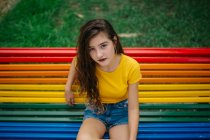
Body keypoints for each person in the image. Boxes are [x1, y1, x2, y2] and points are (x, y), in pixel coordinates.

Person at [65, 19, 141, 140]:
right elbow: (76, 61)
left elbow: (133, 108)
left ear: (114, 41)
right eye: (91, 49)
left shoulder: (131, 66)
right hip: (96, 110)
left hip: (121, 112)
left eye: (103, 46)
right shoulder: (88, 62)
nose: (99, 54)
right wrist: (68, 88)